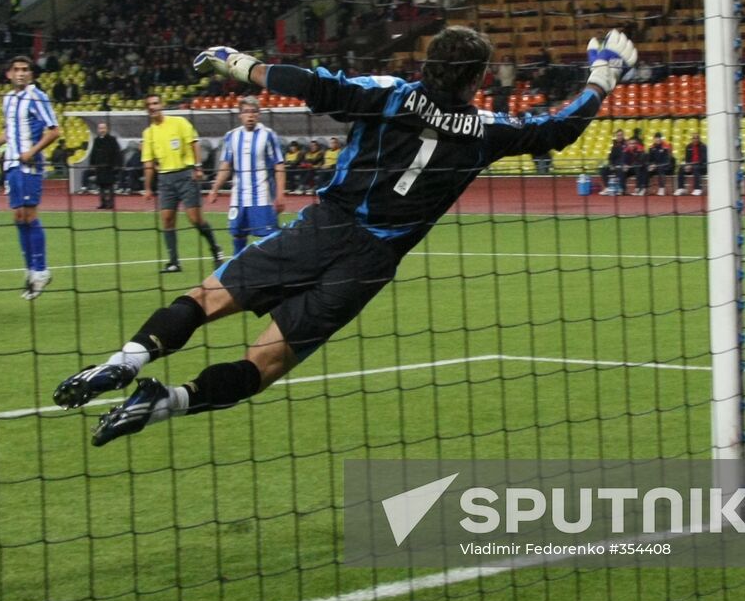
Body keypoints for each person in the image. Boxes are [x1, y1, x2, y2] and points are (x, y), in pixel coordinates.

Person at [53, 26, 637, 446]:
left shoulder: (389, 94)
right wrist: (602, 76)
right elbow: (559, 129)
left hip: (321, 228)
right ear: (476, 79)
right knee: (264, 364)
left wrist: (235, 61)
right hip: (369, 264)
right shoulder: (489, 130)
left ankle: (126, 360)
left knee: (205, 299)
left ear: (428, 64)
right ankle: (167, 402)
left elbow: (307, 84)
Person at [0, 55, 60, 301]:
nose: (21, 73)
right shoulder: (8, 99)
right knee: (18, 217)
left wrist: (33, 151)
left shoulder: (37, 96)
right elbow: (10, 130)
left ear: (31, 74)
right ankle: (31, 270)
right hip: (12, 164)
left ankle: (41, 270)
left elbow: (54, 131)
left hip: (29, 165)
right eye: (16, 69)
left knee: (29, 215)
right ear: (8, 74)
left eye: (25, 69)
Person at [141, 94, 224, 273]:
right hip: (165, 179)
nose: (153, 107)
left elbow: (194, 143)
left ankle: (216, 249)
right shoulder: (148, 134)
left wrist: (198, 167)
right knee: (167, 220)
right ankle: (173, 262)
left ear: (161, 105)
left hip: (185, 175)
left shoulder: (179, 122)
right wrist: (147, 187)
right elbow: (148, 163)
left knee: (195, 219)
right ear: (147, 109)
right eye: (149, 105)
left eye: (155, 103)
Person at [207, 96, 285, 254]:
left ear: (259, 114)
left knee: (269, 239)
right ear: (240, 115)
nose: (250, 115)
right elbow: (226, 166)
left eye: (253, 111)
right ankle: (239, 267)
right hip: (238, 198)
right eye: (246, 111)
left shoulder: (268, 135)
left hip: (262, 197)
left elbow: (279, 165)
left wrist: (280, 195)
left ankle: (271, 267)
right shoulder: (231, 136)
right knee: (238, 236)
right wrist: (215, 189)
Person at [89, 121, 122, 210]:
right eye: (100, 128)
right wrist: (92, 164)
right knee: (101, 186)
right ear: (98, 129)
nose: (102, 130)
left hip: (109, 167)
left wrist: (117, 165)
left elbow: (117, 153)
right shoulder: (96, 140)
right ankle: (103, 203)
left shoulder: (112, 139)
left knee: (110, 186)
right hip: (99, 167)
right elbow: (93, 153)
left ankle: (111, 203)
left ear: (107, 129)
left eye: (103, 128)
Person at [643, 132, 675, 196]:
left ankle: (661, 188)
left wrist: (656, 165)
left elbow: (666, 161)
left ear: (661, 139)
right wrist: (651, 165)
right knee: (646, 169)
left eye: (659, 138)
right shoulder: (651, 147)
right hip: (655, 167)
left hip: (665, 167)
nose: (658, 139)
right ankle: (644, 188)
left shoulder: (666, 147)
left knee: (661, 168)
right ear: (654, 139)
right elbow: (649, 160)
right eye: (656, 138)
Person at [599, 129, 628, 195]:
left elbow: (627, 157)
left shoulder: (626, 145)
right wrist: (611, 165)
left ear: (623, 135)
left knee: (620, 170)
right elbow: (611, 157)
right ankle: (607, 187)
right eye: (618, 135)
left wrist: (623, 164)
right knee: (603, 170)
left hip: (623, 166)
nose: (619, 137)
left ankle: (621, 189)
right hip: (614, 165)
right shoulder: (614, 146)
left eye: (621, 135)